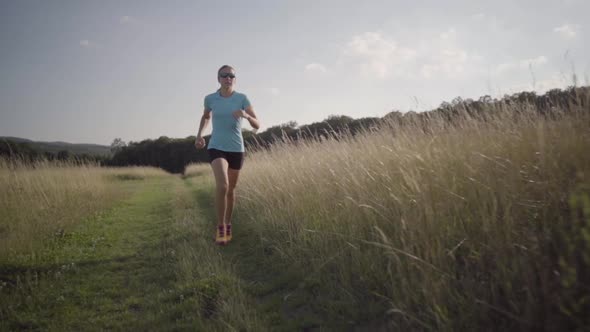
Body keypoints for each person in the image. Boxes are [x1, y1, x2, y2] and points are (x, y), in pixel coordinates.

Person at [194, 65, 260, 245]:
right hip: (216, 146)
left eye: (231, 76)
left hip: (237, 149)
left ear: (234, 79)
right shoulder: (210, 98)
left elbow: (257, 125)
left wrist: (246, 115)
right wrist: (200, 134)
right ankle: (221, 227)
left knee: (231, 190)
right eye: (224, 75)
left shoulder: (242, 98)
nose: (228, 78)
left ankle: (228, 224)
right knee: (223, 185)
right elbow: (206, 116)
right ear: (218, 78)